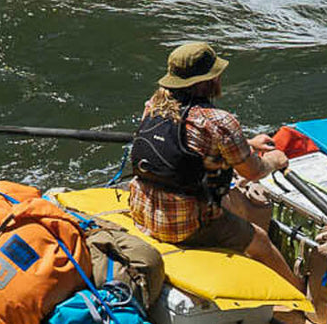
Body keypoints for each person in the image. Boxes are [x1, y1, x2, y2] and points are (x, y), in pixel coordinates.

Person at [127, 42, 301, 289]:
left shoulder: (153, 105)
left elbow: (184, 145)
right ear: (206, 81)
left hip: (143, 211)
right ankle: (300, 297)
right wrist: (275, 160)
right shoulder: (219, 121)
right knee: (260, 240)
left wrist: (247, 142)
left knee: (230, 199)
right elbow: (253, 171)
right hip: (182, 227)